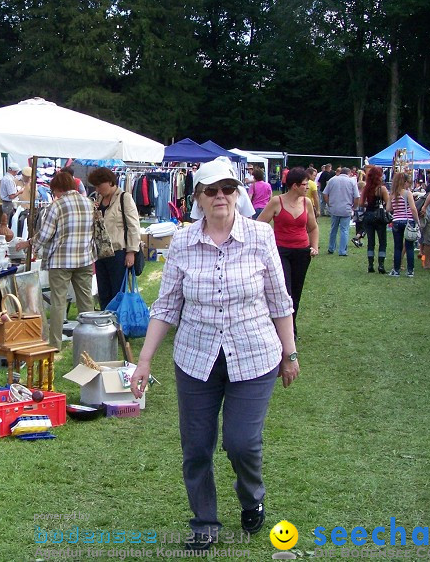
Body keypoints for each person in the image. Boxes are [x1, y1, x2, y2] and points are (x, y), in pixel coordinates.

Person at [129, 160, 298, 553]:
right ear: (199, 199)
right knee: (197, 446)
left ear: (238, 194)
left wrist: (290, 354)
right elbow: (167, 306)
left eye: (227, 188)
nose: (220, 195)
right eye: (211, 190)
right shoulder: (184, 242)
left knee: (241, 442)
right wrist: (145, 359)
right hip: (196, 357)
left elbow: (279, 300)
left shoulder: (260, 236)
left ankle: (251, 495)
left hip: (254, 355)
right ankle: (204, 520)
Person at [15, 172, 94, 349]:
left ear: (57, 189)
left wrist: (28, 243)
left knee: (58, 302)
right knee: (86, 301)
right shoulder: (88, 203)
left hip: (61, 260)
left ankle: (55, 343)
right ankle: (90, 340)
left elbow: (44, 235)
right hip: (85, 258)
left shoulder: (56, 206)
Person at [257, 167, 319, 339]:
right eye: (305, 184)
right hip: (280, 251)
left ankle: (291, 329)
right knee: (285, 291)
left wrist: (314, 246)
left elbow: (313, 227)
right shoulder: (277, 202)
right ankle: (283, 330)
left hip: (302, 251)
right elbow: (259, 225)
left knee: (296, 293)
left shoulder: (306, 203)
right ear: (294, 186)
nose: (308, 187)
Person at [86, 167, 142, 311]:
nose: (97, 189)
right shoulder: (98, 199)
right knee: (103, 291)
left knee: (117, 291)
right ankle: (106, 323)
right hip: (101, 251)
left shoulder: (124, 198)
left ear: (110, 182)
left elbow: (133, 226)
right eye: (96, 186)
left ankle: (120, 324)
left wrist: (131, 252)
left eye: (99, 185)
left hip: (118, 251)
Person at [356, 167, 390, 273]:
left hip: (368, 215)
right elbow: (388, 204)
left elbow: (361, 203)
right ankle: (381, 265)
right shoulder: (382, 189)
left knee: (371, 241)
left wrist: (368, 204)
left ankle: (370, 265)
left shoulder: (366, 188)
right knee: (382, 241)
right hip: (379, 216)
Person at [387, 172, 419, 277]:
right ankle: (410, 271)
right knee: (409, 247)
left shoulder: (392, 194)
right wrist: (417, 221)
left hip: (396, 221)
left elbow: (388, 209)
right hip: (408, 221)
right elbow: (413, 208)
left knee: (398, 247)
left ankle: (396, 270)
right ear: (405, 182)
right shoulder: (407, 193)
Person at [322, 168, 360, 256]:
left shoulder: (332, 180)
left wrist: (329, 203)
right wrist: (354, 207)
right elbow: (357, 196)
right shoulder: (352, 182)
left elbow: (325, 193)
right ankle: (342, 251)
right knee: (344, 230)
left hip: (334, 208)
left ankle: (331, 248)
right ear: (349, 173)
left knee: (333, 229)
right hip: (346, 209)